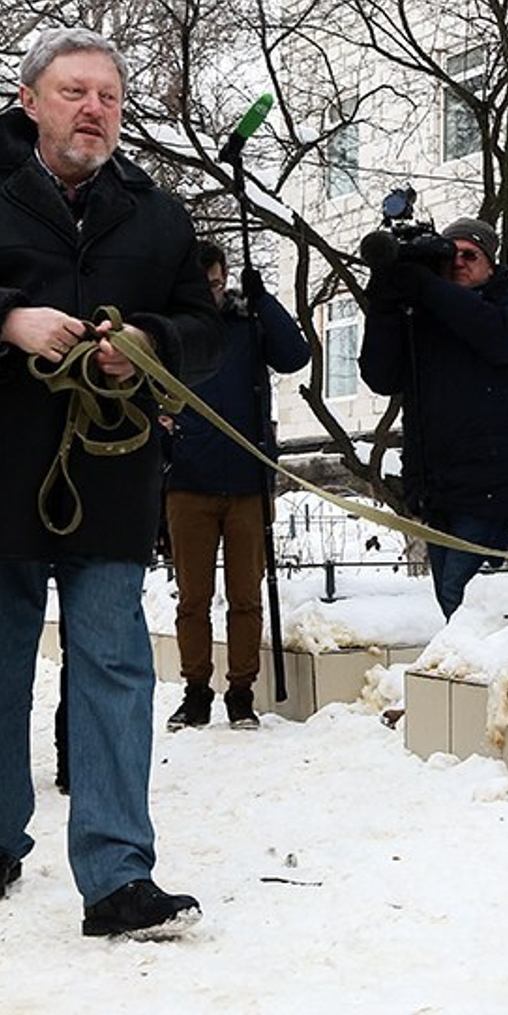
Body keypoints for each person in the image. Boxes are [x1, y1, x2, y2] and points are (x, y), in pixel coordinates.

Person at [0, 27, 226, 940]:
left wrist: (149, 345)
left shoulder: (159, 215)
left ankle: (115, 879)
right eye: (74, 92)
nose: (95, 109)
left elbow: (204, 321)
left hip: (111, 474)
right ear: (30, 101)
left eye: (108, 94)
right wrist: (6, 321)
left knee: (113, 662)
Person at [358, 215, 508, 618]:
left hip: (488, 488)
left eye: (470, 255)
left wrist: (427, 285)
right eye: (449, 255)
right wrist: (386, 302)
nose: (458, 262)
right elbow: (380, 375)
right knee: (450, 598)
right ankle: (471, 674)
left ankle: (481, 674)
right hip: (437, 487)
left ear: (491, 263)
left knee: (466, 599)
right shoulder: (425, 317)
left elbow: (497, 337)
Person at [164, 239, 310, 732]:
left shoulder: (248, 325)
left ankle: (241, 692)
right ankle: (196, 690)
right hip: (188, 479)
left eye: (218, 282)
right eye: (203, 284)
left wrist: (263, 300)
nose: (213, 293)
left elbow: (294, 356)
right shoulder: (173, 329)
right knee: (193, 596)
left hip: (248, 480)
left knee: (246, 595)